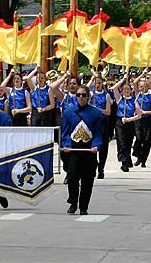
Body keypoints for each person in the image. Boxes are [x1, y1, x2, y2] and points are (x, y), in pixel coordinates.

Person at [62, 84, 103, 215]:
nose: (80, 97)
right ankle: (73, 202)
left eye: (83, 95)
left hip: (89, 151)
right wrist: (67, 144)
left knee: (87, 180)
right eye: (78, 95)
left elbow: (98, 132)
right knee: (73, 177)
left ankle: (84, 206)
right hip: (74, 150)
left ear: (88, 97)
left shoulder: (96, 113)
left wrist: (96, 145)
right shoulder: (69, 112)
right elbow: (65, 132)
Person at [112, 76, 142, 172]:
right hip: (120, 122)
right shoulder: (119, 99)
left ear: (131, 91)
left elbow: (139, 115)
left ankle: (127, 159)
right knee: (121, 142)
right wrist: (123, 80)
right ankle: (124, 162)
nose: (126, 90)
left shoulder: (134, 101)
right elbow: (114, 88)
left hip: (129, 123)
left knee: (128, 143)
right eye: (124, 89)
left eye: (128, 89)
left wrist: (129, 119)